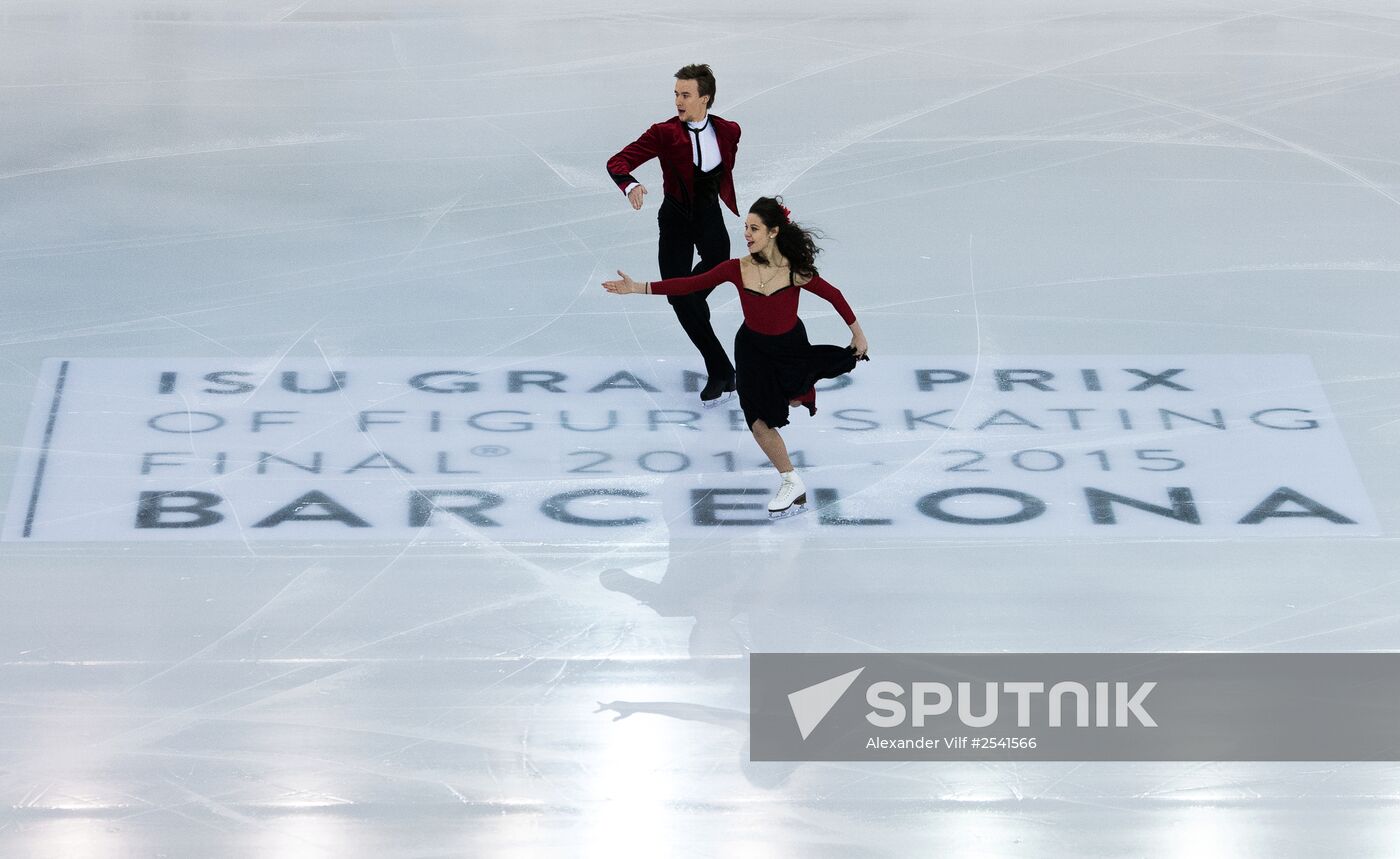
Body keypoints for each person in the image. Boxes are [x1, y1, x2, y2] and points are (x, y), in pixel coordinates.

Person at [603, 196, 869, 518]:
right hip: (752, 350)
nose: (746, 234)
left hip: (789, 347)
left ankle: (797, 394)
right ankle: (790, 480)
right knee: (759, 421)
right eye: (745, 227)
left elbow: (834, 295)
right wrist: (638, 287)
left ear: (773, 232)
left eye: (754, 228)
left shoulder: (794, 271)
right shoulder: (736, 268)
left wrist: (857, 333)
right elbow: (689, 284)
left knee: (796, 397)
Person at [606, 63, 741, 407]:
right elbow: (617, 162)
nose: (678, 101)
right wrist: (630, 185)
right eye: (676, 95)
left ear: (704, 98)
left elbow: (725, 168)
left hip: (710, 218)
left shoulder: (729, 131)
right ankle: (722, 370)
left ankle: (722, 370)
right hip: (676, 220)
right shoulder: (664, 133)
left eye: (685, 95)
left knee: (690, 296)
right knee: (680, 296)